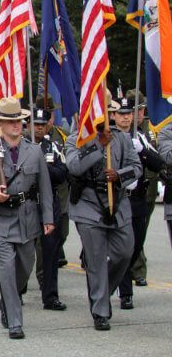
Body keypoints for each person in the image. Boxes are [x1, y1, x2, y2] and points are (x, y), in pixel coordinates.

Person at [0, 97, 54, 339]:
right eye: (10, 121)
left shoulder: (34, 151)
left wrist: (47, 218)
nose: (16, 125)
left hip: (27, 219)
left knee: (24, 269)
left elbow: (45, 188)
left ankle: (8, 300)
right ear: (1, 125)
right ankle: (15, 322)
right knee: (6, 269)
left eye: (19, 120)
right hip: (0, 220)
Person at [65, 98, 142, 331]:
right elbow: (74, 166)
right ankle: (100, 311)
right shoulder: (76, 138)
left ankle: (101, 291)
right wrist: (98, 144)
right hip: (88, 205)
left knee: (125, 251)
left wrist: (119, 175)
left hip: (117, 203)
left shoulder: (121, 137)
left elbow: (136, 166)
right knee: (96, 259)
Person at [111, 98, 164, 309]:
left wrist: (142, 150)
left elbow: (158, 163)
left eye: (128, 113)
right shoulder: (110, 139)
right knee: (124, 246)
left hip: (139, 200)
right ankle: (126, 293)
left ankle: (117, 276)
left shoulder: (139, 138)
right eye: (121, 113)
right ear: (114, 116)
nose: (125, 117)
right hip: (120, 200)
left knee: (136, 245)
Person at [30, 108, 68, 311]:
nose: (38, 128)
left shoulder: (52, 147)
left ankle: (50, 295)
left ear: (47, 126)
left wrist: (44, 168)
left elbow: (63, 172)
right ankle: (15, 292)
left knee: (51, 253)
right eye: (34, 124)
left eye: (41, 125)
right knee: (23, 252)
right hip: (27, 202)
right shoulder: (23, 146)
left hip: (48, 202)